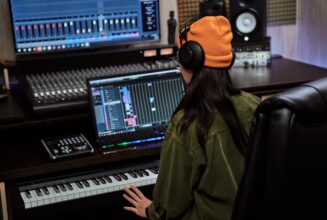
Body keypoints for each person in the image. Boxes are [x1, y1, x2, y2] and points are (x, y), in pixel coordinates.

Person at [123, 16, 260, 220]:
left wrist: (151, 210)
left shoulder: (186, 122)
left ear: (190, 59)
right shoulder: (253, 104)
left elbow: (170, 206)